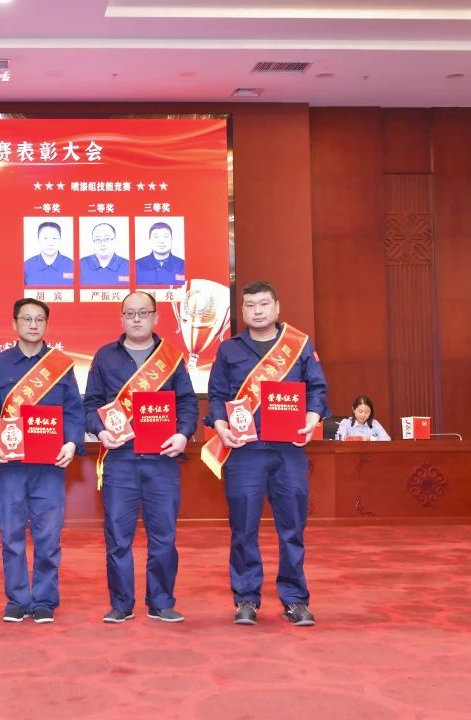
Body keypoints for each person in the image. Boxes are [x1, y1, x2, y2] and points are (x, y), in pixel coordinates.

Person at [203, 280, 328, 627]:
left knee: (293, 527)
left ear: (277, 307)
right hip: (245, 452)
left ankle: (295, 600)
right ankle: (246, 598)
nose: (257, 311)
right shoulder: (229, 350)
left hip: (289, 450)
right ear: (242, 311)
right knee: (243, 528)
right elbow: (216, 395)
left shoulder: (298, 345)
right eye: (250, 306)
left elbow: (317, 388)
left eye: (263, 304)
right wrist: (220, 425)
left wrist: (312, 417)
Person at [83, 291, 198, 624]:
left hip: (162, 459)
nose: (136, 319)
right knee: (118, 535)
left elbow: (187, 404)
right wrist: (99, 431)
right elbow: (90, 405)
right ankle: (121, 603)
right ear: (121, 318)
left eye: (143, 313)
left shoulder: (172, 357)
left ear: (156, 317)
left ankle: (161, 602)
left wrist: (183, 434)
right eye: (130, 313)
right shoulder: (105, 357)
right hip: (120, 459)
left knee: (164, 536)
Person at [0, 298, 85, 624]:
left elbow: (74, 412)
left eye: (39, 319)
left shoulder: (61, 365)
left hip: (49, 467)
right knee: (11, 535)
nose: (33, 325)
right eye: (26, 319)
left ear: (46, 324)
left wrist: (71, 442)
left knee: (48, 536)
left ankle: (44, 600)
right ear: (15, 324)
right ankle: (18, 599)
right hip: (9, 466)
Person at [23, 221, 74, 286]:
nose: (50, 243)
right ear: (38, 240)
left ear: (60, 240)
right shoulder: (26, 266)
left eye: (54, 238)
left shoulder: (72, 266)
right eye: (45, 238)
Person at [134, 222, 185, 286]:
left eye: (165, 236)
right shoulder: (136, 266)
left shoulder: (183, 266)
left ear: (171, 239)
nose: (161, 241)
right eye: (156, 237)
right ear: (150, 240)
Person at [79, 222, 130, 287]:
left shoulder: (128, 266)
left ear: (115, 240)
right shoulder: (80, 265)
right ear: (92, 242)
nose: (102, 243)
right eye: (97, 239)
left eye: (107, 239)